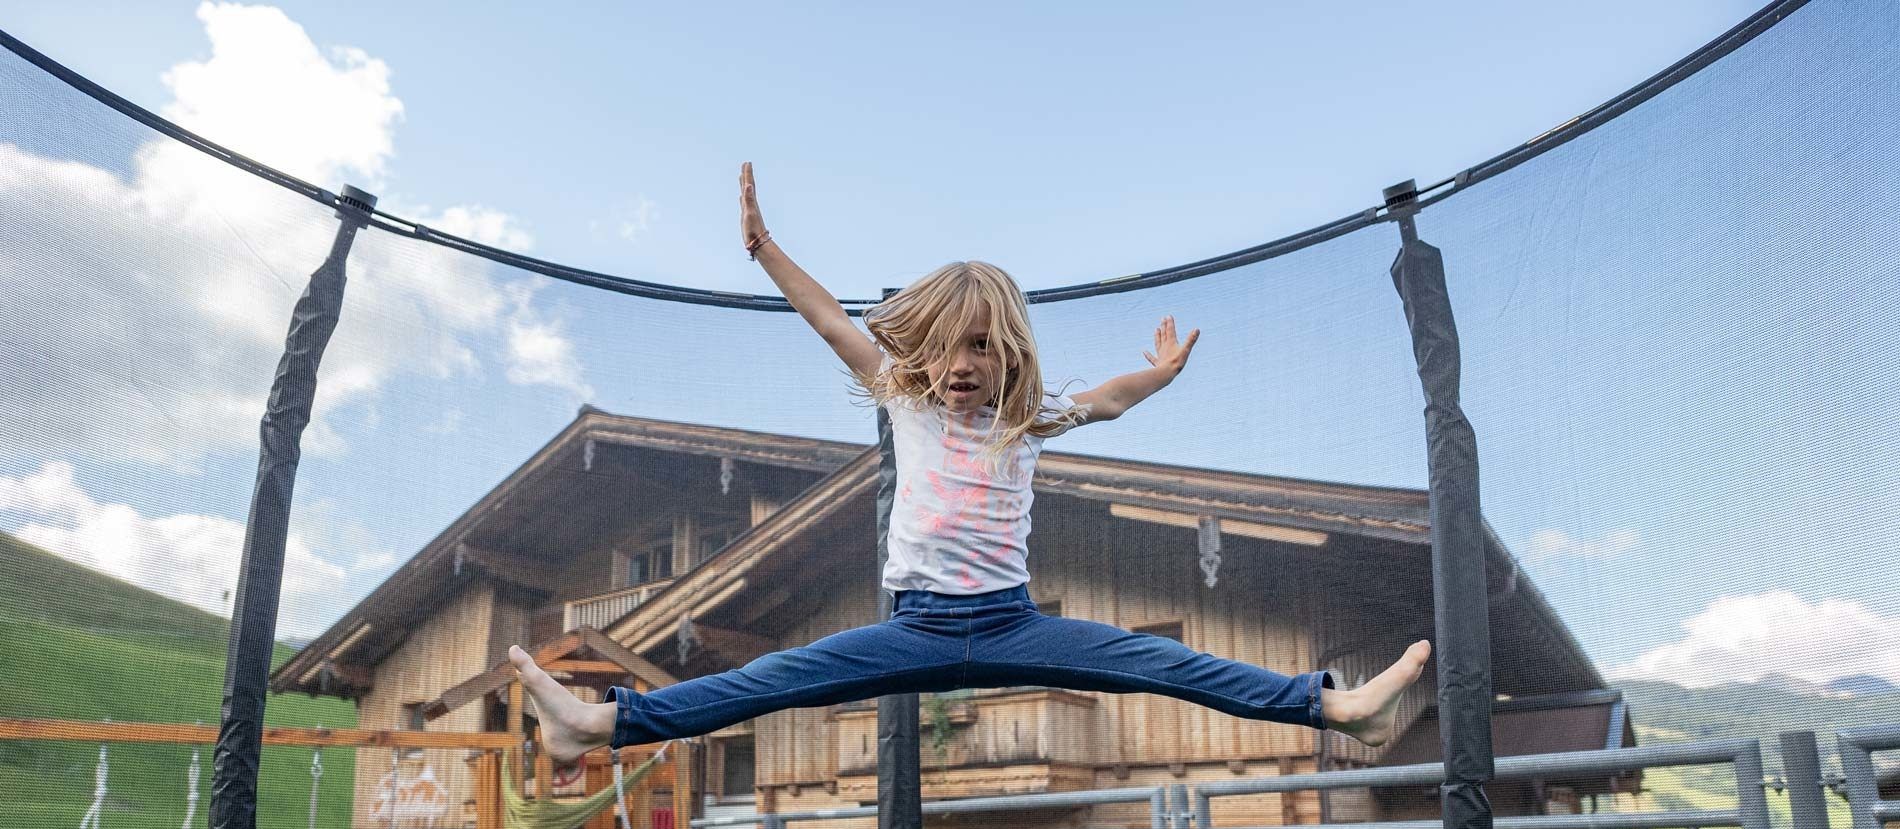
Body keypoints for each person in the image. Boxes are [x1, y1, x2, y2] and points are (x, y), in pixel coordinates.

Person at [511, 163, 1429, 763]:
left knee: (1165, 662)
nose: (960, 367)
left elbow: (1104, 400)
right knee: (774, 677)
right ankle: (598, 721)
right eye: (947, 350)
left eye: (980, 349)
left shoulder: (1024, 419)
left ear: (1007, 355)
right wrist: (763, 249)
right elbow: (834, 320)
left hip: (1011, 624)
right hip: (911, 627)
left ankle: (1340, 709)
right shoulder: (905, 396)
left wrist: (1155, 373)